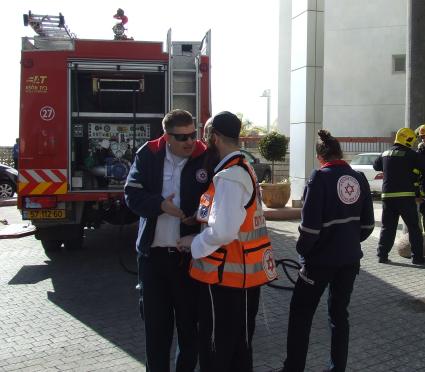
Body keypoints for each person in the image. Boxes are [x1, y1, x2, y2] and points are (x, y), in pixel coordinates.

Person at [176, 111, 277, 372]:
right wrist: (200, 218)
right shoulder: (242, 169)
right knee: (239, 350)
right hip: (241, 278)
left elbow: (223, 232)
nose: (202, 141)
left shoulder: (229, 177)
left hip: (224, 280)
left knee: (217, 351)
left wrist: (193, 242)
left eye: (206, 135)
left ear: (216, 137)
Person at [124, 109, 211, 372]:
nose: (190, 142)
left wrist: (199, 216)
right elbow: (131, 194)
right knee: (156, 331)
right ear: (166, 137)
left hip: (188, 260)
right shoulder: (148, 154)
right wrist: (160, 205)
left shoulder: (205, 156)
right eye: (182, 137)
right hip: (153, 259)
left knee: (189, 331)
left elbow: (214, 198)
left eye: (193, 135)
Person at [280, 130, 374, 372]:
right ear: (340, 153)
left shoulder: (319, 179)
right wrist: (347, 241)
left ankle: (293, 369)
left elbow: (309, 229)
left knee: (301, 315)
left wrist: (303, 253)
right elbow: (368, 226)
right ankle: (337, 368)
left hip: (319, 263)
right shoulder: (359, 179)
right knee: (339, 316)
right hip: (349, 261)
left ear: (320, 157)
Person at [374, 128, 425, 265]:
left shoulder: (385, 153)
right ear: (408, 140)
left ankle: (382, 255)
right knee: (413, 228)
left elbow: (376, 166)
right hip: (405, 197)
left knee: (387, 227)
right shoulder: (409, 154)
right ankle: (417, 257)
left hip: (387, 197)